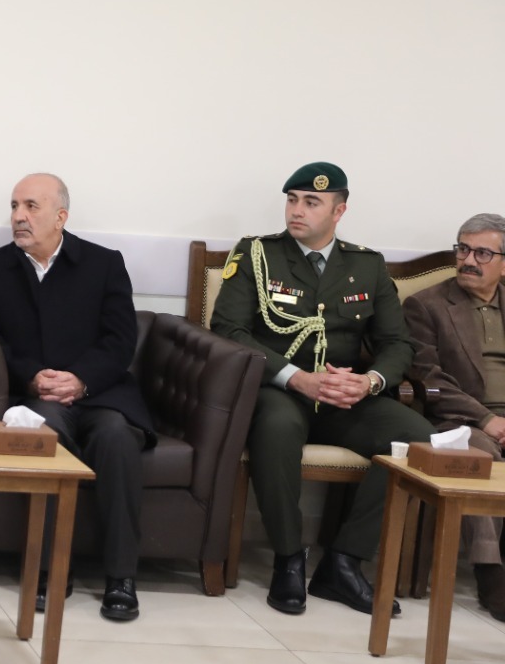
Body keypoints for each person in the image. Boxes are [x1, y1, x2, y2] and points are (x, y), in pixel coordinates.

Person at [211, 162, 430, 615]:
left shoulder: (366, 265)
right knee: (277, 429)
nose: (297, 210)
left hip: (343, 397)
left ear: (339, 211)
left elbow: (396, 344)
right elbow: (229, 330)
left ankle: (344, 564)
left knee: (416, 439)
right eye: (292, 200)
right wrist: (296, 377)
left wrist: (368, 382)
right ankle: (288, 559)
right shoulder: (257, 254)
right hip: (279, 390)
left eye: (311, 203)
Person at [0, 173, 154, 621]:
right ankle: (51, 568)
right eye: (14, 206)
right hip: (37, 396)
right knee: (44, 435)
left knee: (116, 438)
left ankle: (121, 577)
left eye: (30, 206)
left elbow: (120, 340)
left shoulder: (104, 264)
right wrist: (32, 377)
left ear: (60, 216)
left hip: (101, 393)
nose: (18, 216)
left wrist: (81, 380)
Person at [402, 213, 505, 620]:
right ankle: (490, 572)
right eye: (463, 249)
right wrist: (486, 420)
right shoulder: (426, 306)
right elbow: (429, 378)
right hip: (461, 422)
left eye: (482, 253)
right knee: (480, 456)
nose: (468, 260)